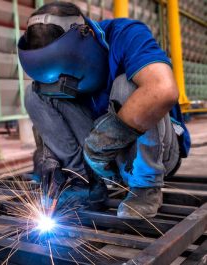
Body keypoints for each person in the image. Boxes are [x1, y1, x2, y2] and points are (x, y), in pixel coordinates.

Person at [17, 2, 190, 219]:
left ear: (87, 34)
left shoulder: (126, 34)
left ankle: (146, 187)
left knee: (126, 85)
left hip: (158, 152)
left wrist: (106, 138)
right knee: (35, 94)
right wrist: (49, 153)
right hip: (99, 162)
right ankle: (84, 184)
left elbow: (163, 90)